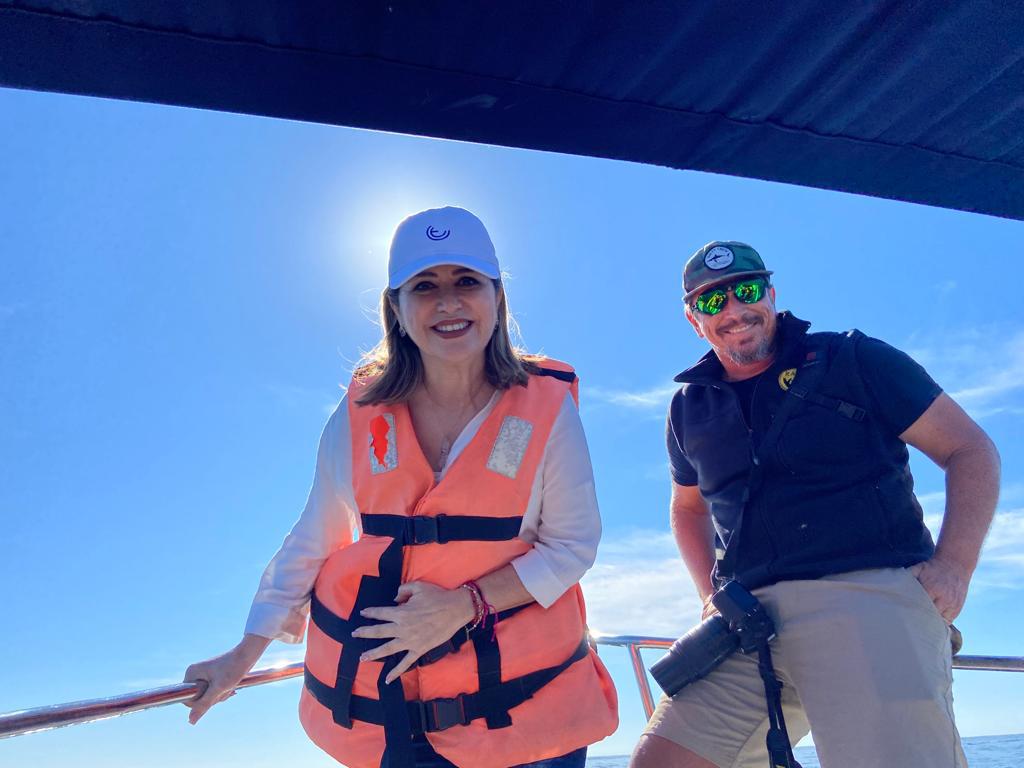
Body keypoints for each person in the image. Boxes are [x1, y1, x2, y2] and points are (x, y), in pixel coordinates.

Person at [183, 206, 618, 768]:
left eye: (466, 281)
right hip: (397, 725)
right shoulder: (360, 416)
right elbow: (313, 539)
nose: (448, 303)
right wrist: (244, 654)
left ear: (496, 296)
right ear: (397, 307)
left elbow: (572, 545)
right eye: (424, 287)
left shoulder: (545, 411)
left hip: (527, 714)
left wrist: (464, 605)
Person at [630, 241, 1000, 768]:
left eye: (747, 290)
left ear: (772, 295)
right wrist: (709, 594)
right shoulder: (688, 405)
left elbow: (970, 449)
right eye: (712, 302)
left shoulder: (853, 358)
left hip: (864, 592)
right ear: (694, 320)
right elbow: (687, 508)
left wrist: (954, 567)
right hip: (746, 619)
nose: (734, 310)